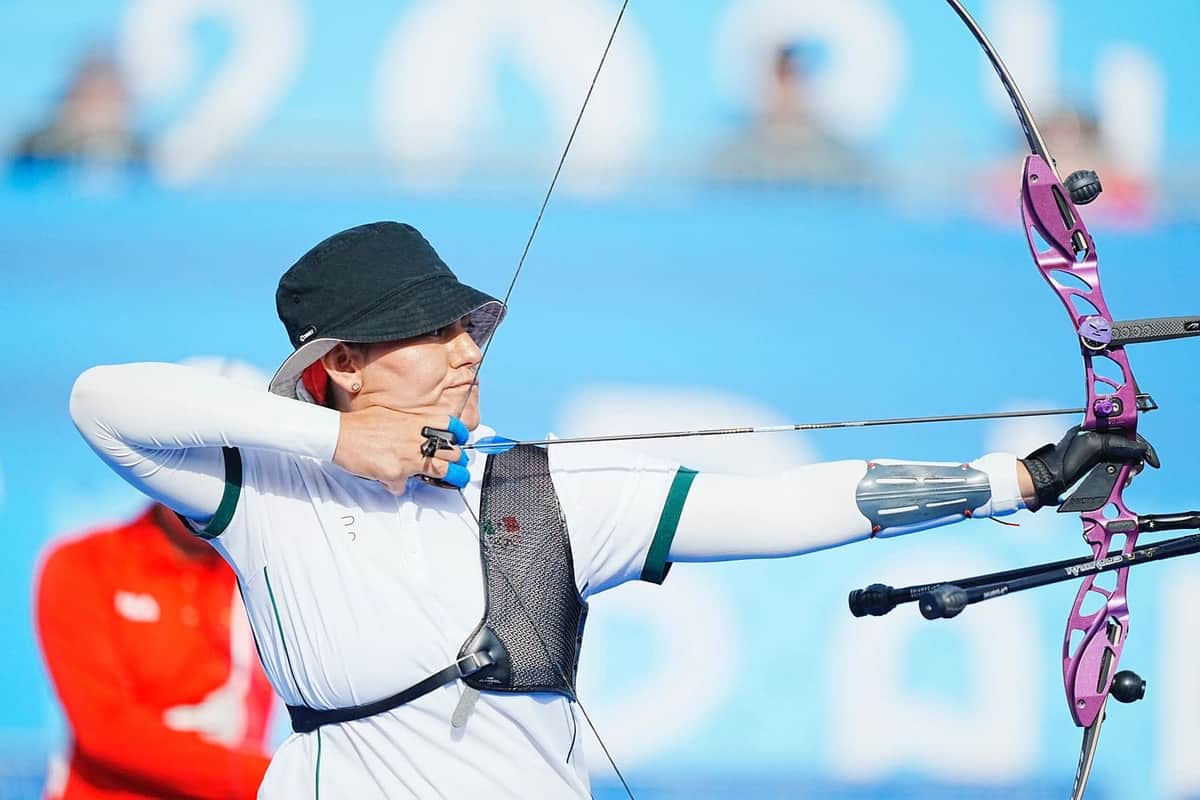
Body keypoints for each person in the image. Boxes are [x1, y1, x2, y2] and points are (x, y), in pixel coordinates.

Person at [68, 221, 1155, 798]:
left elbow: (781, 507)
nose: (466, 348)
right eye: (429, 331)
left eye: (467, 325)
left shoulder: (538, 491)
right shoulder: (271, 488)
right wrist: (337, 440)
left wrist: (1016, 478)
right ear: (342, 364)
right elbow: (100, 400)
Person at [36, 502, 276, 800]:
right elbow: (105, 729)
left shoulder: (266, 583)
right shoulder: (84, 561)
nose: (205, 477)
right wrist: (284, 778)